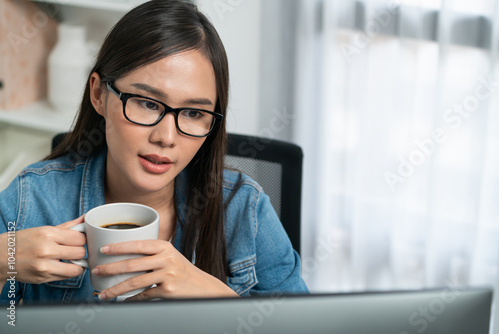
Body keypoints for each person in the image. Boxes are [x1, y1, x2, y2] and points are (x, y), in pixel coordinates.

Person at [0, 0, 308, 304]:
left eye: (193, 113)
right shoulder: (33, 200)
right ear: (98, 95)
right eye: (147, 104)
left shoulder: (244, 209)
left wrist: (216, 298)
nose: (166, 137)